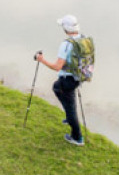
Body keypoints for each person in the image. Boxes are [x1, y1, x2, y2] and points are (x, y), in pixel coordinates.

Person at [35, 14, 87, 146]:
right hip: (78, 77)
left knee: (69, 106)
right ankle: (70, 117)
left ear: (65, 28)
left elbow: (57, 67)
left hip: (68, 79)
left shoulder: (66, 44)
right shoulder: (82, 39)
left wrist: (42, 60)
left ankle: (77, 137)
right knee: (57, 88)